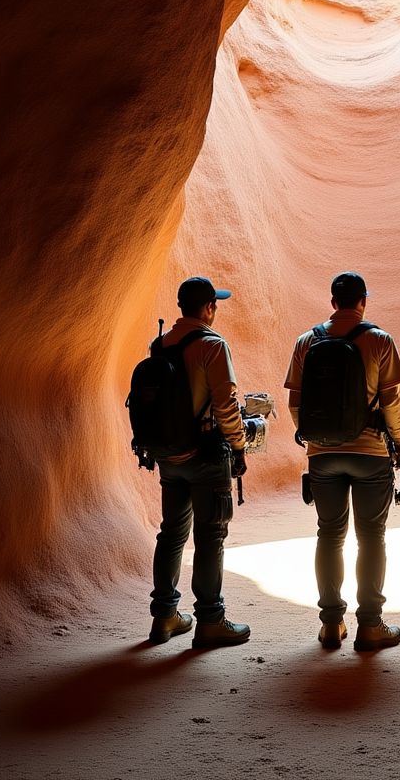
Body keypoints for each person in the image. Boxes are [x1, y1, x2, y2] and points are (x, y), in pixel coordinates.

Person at [284, 272, 400, 652]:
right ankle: (370, 624)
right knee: (371, 538)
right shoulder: (379, 340)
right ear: (363, 301)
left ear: (333, 302)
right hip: (370, 454)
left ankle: (331, 623)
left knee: (329, 535)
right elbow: (391, 403)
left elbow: (295, 405)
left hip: (323, 456)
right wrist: (399, 444)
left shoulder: (307, 342)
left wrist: (316, 440)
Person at [149, 276, 251, 648]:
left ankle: (165, 617)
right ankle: (210, 621)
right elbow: (225, 404)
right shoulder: (212, 345)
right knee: (210, 537)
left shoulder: (159, 345)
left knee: (172, 534)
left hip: (168, 456)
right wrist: (239, 445)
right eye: (215, 304)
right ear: (208, 307)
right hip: (206, 455)